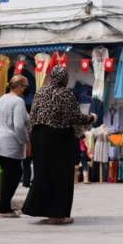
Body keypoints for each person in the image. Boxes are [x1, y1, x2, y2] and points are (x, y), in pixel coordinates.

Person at [22, 66, 96, 225]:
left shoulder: (40, 92)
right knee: (60, 176)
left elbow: (32, 116)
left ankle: (41, 210)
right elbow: (74, 116)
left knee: (43, 174)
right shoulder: (65, 94)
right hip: (58, 139)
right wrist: (91, 118)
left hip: (39, 137)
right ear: (65, 79)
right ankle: (57, 215)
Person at [0, 75, 31, 218]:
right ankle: (4, 208)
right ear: (19, 86)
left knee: (9, 175)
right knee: (13, 175)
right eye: (25, 87)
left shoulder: (2, 99)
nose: (26, 89)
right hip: (10, 143)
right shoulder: (18, 101)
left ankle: (4, 206)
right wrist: (25, 141)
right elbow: (19, 125)